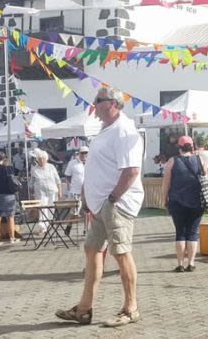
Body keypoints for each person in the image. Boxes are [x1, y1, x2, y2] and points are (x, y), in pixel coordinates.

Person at [56, 87, 144, 327]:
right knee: (92, 249)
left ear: (111, 103)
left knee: (121, 253)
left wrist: (113, 199)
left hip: (117, 202)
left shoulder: (124, 130)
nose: (93, 105)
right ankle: (84, 309)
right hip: (102, 203)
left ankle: (131, 308)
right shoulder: (107, 130)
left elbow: (131, 171)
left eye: (97, 101)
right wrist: (87, 193)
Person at [162, 135, 205, 272]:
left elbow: (166, 183)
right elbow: (205, 180)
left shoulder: (172, 161)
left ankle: (180, 264)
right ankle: (191, 263)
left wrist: (164, 198)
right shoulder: (199, 160)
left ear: (179, 147)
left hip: (176, 200)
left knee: (180, 232)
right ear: (192, 147)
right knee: (193, 232)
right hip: (197, 201)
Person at [30, 149, 62, 234]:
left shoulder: (51, 167)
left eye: (43, 158)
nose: (41, 160)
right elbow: (32, 181)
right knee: (43, 208)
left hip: (52, 191)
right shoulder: (34, 169)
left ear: (46, 159)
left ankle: (49, 224)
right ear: (37, 159)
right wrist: (31, 191)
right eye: (40, 159)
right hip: (40, 193)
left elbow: (57, 180)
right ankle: (42, 227)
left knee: (51, 208)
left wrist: (60, 191)